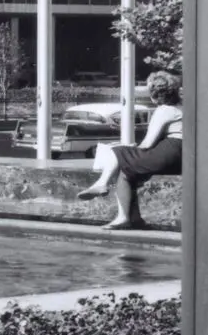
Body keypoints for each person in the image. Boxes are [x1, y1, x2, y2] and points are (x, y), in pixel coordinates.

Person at [76, 74, 182, 228]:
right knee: (126, 172)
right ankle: (127, 218)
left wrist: (131, 150)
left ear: (153, 95)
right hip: (185, 155)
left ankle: (102, 184)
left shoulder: (164, 110)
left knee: (117, 151)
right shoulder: (183, 107)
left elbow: (147, 144)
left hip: (172, 150)